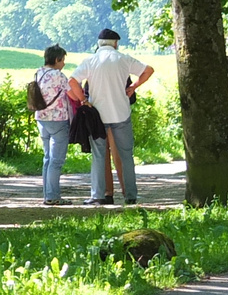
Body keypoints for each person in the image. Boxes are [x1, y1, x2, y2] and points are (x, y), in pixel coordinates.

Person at [68, 29, 153, 207]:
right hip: (121, 114)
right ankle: (130, 195)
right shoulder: (123, 58)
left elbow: (72, 81)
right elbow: (148, 70)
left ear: (99, 44)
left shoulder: (90, 61)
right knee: (126, 156)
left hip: (97, 116)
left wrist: (83, 100)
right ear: (115, 43)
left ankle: (99, 195)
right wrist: (134, 87)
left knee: (99, 155)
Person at [33, 45, 76, 206]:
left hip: (41, 118)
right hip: (58, 119)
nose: (64, 63)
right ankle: (53, 197)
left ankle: (47, 195)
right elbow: (72, 94)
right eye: (63, 60)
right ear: (57, 59)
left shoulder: (39, 72)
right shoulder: (59, 75)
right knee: (56, 161)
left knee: (47, 158)